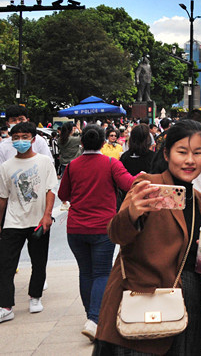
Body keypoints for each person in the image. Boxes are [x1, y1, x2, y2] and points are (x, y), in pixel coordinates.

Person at [93, 120, 201, 355]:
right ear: (167, 153)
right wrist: (132, 213)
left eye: (198, 153)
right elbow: (116, 234)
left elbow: (196, 263)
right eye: (182, 152)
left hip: (187, 302)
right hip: (143, 301)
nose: (190, 160)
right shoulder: (147, 186)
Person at [57, 125, 136, 341]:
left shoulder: (72, 165)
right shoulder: (111, 163)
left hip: (75, 228)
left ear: (82, 142)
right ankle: (94, 319)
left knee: (86, 272)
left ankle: (90, 316)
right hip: (103, 228)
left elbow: (63, 193)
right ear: (103, 143)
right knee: (101, 272)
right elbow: (129, 184)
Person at [0, 122, 58, 324]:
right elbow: (2, 198)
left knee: (38, 261)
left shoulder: (44, 162)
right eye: (16, 138)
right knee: (5, 264)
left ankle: (35, 297)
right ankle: (5, 306)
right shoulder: (6, 167)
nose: (20, 141)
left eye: (25, 137)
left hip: (38, 220)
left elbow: (50, 189)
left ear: (33, 139)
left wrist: (47, 215)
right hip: (13, 221)